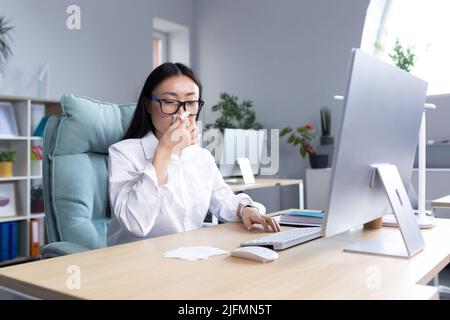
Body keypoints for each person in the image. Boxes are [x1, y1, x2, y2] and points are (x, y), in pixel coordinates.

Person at [107, 62, 280, 246]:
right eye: (170, 101)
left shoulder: (201, 157)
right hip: (135, 262)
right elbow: (136, 223)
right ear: (149, 105)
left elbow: (224, 200)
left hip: (188, 255)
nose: (182, 114)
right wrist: (165, 152)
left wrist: (246, 209)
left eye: (190, 103)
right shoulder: (123, 153)